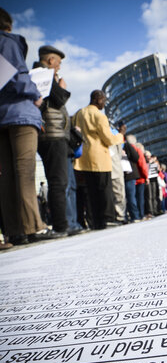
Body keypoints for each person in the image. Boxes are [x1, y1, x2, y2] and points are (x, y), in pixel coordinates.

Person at [0, 8, 51, 245]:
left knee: (7, 176)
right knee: (25, 172)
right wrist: (35, 93)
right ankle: (34, 227)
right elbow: (18, 78)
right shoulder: (8, 42)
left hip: (1, 117)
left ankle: (14, 230)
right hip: (20, 113)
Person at [34, 44, 71, 237]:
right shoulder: (41, 75)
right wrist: (61, 87)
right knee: (58, 182)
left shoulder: (45, 76)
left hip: (53, 134)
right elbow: (58, 100)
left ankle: (62, 224)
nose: (59, 67)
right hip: (52, 135)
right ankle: (61, 226)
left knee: (59, 181)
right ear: (50, 60)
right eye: (58, 62)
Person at [73, 90, 123, 229]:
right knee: (104, 190)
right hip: (99, 157)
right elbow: (108, 139)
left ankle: (96, 221)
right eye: (104, 100)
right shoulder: (99, 116)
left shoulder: (79, 114)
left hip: (84, 158)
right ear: (97, 99)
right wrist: (120, 135)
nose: (104, 103)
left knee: (92, 192)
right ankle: (108, 218)